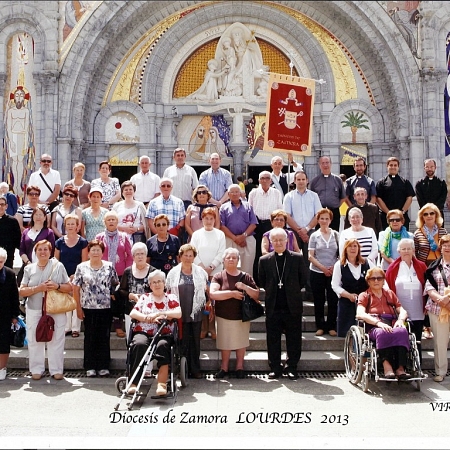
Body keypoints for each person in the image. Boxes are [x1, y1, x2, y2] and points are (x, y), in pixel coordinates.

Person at [18, 240, 71, 380]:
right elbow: (22, 291)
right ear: (35, 252)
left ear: (50, 251)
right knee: (34, 339)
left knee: (57, 339)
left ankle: (56, 369)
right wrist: (37, 289)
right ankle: (36, 369)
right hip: (34, 309)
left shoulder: (58, 266)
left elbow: (69, 287)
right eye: (40, 250)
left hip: (55, 309)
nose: (43, 252)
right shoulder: (29, 269)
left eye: (45, 250)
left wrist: (56, 285)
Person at [258, 228, 306, 379]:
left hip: (292, 305)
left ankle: (292, 366)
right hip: (273, 305)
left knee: (294, 338)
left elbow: (303, 280)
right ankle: (275, 367)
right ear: (271, 242)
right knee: (273, 338)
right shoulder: (264, 260)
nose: (278, 243)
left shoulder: (297, 258)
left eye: (281, 240)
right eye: (275, 240)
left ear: (287, 241)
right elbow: (262, 281)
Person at [128, 270, 182, 395]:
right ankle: (134, 383)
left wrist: (161, 314)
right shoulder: (145, 297)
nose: (157, 284)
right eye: (154, 282)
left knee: (163, 346)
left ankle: (162, 383)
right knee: (139, 344)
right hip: (144, 331)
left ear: (164, 283)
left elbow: (178, 313)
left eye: (159, 281)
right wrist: (147, 317)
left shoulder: (171, 298)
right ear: (150, 285)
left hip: (164, 332)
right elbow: (133, 313)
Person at [209, 247, 260, 378]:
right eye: (228, 257)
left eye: (234, 257)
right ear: (223, 261)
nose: (231, 259)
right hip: (223, 315)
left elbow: (256, 294)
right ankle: (224, 368)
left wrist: (244, 287)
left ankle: (239, 367)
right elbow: (213, 294)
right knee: (225, 343)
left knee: (241, 342)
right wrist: (231, 294)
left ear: (238, 260)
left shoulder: (246, 276)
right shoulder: (218, 276)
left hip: (241, 316)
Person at [72, 239, 119, 377]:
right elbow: (75, 288)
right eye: (93, 250)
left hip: (105, 308)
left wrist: (112, 295)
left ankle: (104, 366)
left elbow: (115, 283)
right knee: (90, 337)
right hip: (88, 307)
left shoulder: (109, 266)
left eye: (98, 250)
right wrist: (78, 308)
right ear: (89, 252)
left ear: (102, 252)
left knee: (104, 337)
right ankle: (90, 366)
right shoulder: (81, 267)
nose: (95, 252)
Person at [356, 267, 412, 380]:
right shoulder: (365, 295)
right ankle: (387, 367)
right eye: (373, 278)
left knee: (402, 331)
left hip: (392, 323)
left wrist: (401, 320)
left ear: (383, 280)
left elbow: (402, 310)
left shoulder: (390, 294)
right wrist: (378, 323)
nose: (376, 281)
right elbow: (360, 313)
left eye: (379, 278)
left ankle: (400, 368)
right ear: (368, 281)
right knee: (382, 332)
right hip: (374, 326)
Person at [166, 244, 208, 379]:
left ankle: (195, 369)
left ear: (194, 257)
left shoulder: (201, 272)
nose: (188, 258)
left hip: (195, 311)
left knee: (195, 341)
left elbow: (205, 292)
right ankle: (180, 370)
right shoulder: (173, 273)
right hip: (179, 311)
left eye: (191, 255)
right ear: (180, 257)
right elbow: (167, 291)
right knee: (181, 341)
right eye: (186, 255)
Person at [385, 238, 427, 362]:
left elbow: (427, 285)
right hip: (400, 311)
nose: (406, 251)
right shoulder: (392, 268)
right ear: (399, 251)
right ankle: (401, 366)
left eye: (409, 248)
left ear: (413, 250)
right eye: (403, 249)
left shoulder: (421, 266)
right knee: (401, 340)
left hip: (418, 309)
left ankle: (417, 365)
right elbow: (388, 289)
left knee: (417, 340)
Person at [283, 170, 322, 295]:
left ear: (307, 180)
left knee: (310, 259)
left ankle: (310, 289)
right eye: (298, 179)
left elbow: (318, 214)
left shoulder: (313, 196)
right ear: (294, 181)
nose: (300, 182)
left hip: (310, 231)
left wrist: (307, 229)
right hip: (293, 231)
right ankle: (294, 288)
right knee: (293, 259)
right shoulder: (288, 196)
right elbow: (287, 216)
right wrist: (300, 230)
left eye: (303, 179)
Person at [95, 210, 133, 338]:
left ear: (117, 222)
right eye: (108, 220)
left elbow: (129, 255)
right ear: (104, 222)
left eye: (113, 219)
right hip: (103, 273)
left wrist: (128, 271)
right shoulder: (99, 237)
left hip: (120, 274)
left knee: (118, 299)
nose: (111, 222)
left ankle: (117, 326)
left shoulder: (124, 236)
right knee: (104, 299)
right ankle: (105, 325)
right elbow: (95, 253)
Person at [191, 207, 226, 339]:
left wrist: (211, 267)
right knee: (203, 300)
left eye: (211, 218)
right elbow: (194, 252)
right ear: (202, 219)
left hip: (215, 271)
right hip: (200, 272)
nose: (209, 221)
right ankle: (204, 328)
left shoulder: (220, 234)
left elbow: (221, 252)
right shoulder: (196, 234)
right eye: (206, 218)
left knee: (213, 301)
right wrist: (202, 268)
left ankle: (213, 328)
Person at [414, 203, 447, 340]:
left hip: (439, 267)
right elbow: (415, 252)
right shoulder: (418, 232)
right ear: (422, 216)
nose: (429, 216)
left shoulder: (443, 231)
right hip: (424, 267)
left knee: (440, 294)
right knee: (427, 296)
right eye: (425, 214)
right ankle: (427, 327)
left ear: (436, 215)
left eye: (431, 213)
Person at [54, 214, 88, 338]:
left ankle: (75, 328)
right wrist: (63, 276)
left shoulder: (83, 242)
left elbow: (84, 261)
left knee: (76, 300)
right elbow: (56, 260)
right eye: (68, 224)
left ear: (77, 226)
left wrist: (75, 275)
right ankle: (67, 327)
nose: (70, 226)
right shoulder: (59, 242)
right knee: (66, 301)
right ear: (65, 225)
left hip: (77, 275)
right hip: (63, 276)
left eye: (73, 224)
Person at [332, 239, 374, 337]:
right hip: (346, 302)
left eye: (355, 246)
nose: (353, 249)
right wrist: (348, 295)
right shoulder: (339, 265)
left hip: (365, 303)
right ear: (345, 249)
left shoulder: (367, 263)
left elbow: (377, 276)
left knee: (365, 332)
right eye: (350, 246)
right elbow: (335, 285)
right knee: (347, 333)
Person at [308, 208, 340, 337]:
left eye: (327, 218)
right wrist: (322, 268)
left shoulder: (337, 235)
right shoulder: (314, 235)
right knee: (319, 299)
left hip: (333, 272)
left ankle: (331, 326)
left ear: (331, 220)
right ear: (318, 220)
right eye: (322, 218)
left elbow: (341, 254)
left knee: (333, 300)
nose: (324, 221)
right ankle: (320, 326)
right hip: (317, 271)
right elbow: (310, 256)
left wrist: (333, 267)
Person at [423, 234, 450, 382]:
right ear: (441, 247)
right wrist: (441, 300)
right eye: (445, 245)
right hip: (437, 308)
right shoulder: (434, 266)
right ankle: (440, 371)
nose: (447, 248)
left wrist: (448, 299)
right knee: (440, 342)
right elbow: (428, 286)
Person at [248, 170, 283, 283]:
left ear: (271, 180)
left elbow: (279, 209)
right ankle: (258, 280)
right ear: (258, 180)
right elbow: (250, 210)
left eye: (267, 178)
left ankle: (272, 278)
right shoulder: (253, 193)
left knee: (272, 251)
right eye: (262, 178)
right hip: (257, 225)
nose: (264, 180)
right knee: (257, 252)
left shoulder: (276, 193)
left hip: (271, 224)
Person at [117, 242, 156, 339]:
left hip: (149, 312)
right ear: (133, 257)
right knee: (131, 339)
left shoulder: (153, 272)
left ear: (146, 255)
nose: (140, 256)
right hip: (131, 310)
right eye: (137, 254)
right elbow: (121, 290)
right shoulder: (128, 271)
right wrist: (131, 295)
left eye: (142, 254)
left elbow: (159, 290)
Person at [220, 184, 258, 277]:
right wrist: (235, 238)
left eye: (236, 192)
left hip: (247, 238)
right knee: (230, 264)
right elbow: (222, 225)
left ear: (240, 193)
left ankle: (246, 288)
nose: (234, 194)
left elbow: (253, 223)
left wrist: (243, 236)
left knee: (247, 266)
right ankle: (230, 287)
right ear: (228, 194)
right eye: (232, 192)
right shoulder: (223, 207)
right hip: (230, 239)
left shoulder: (248, 206)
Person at [376, 156, 415, 230]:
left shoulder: (405, 182)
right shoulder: (381, 182)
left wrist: (402, 212)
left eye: (395, 165)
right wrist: (389, 213)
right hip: (385, 217)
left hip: (402, 216)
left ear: (398, 167)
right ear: (387, 166)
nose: (393, 167)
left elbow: (409, 197)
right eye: (391, 165)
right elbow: (378, 199)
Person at [309, 156, 347, 231]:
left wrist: (336, 206)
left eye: (327, 163)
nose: (325, 165)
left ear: (331, 164)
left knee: (334, 233)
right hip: (319, 212)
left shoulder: (338, 180)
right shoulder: (315, 181)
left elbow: (343, 197)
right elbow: (311, 198)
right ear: (320, 165)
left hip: (334, 212)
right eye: (323, 163)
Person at [0, 247, 20, 381]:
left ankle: (2, 368)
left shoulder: (10, 274)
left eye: (1, 261)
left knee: (3, 342)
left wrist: (14, 316)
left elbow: (14, 296)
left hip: (4, 314)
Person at [112, 180, 148, 246]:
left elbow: (146, 225)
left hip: (137, 238)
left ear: (134, 192)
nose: (128, 191)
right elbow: (111, 223)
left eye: (130, 189)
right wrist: (124, 228)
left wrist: (136, 229)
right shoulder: (116, 206)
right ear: (122, 193)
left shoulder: (140, 205)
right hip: (120, 238)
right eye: (126, 190)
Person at [163, 147, 199, 212]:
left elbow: (195, 188)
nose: (180, 157)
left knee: (187, 222)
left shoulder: (191, 170)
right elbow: (163, 188)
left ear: (185, 157)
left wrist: (195, 203)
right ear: (174, 157)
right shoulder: (168, 171)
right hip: (171, 203)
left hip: (187, 203)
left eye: (182, 155)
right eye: (178, 155)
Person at [0, 195, 21, 268]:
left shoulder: (13, 221)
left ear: (6, 206)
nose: (0, 207)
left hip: (7, 258)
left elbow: (17, 241)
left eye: (2, 204)